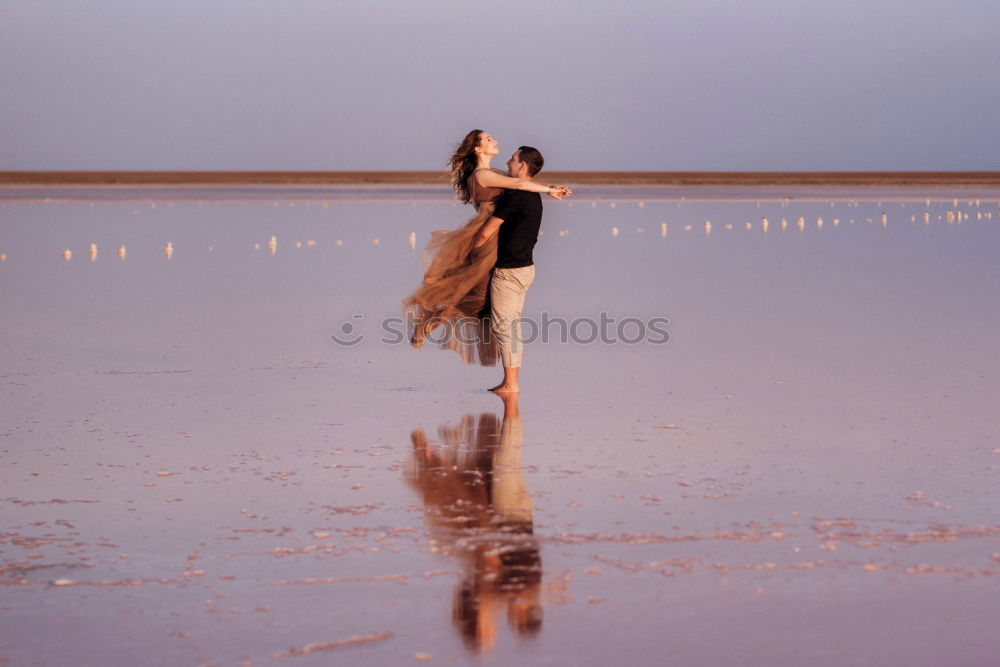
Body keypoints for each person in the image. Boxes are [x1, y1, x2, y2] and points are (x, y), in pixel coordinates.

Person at [404, 129, 570, 365]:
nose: (496, 141)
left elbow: (518, 182)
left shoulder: (493, 172)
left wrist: (547, 188)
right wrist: (550, 189)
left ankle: (430, 322)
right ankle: (428, 322)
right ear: (477, 149)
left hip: (497, 236)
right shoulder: (482, 175)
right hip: (488, 238)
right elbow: (519, 184)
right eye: (489, 139)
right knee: (473, 293)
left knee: (474, 295)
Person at [473, 147, 547, 393]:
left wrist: (469, 253)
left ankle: (511, 384)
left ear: (523, 165)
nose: (508, 162)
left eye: (513, 159)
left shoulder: (515, 196)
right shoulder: (534, 196)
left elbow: (486, 232)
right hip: (526, 269)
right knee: (511, 326)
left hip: (509, 271)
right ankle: (511, 382)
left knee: (505, 327)